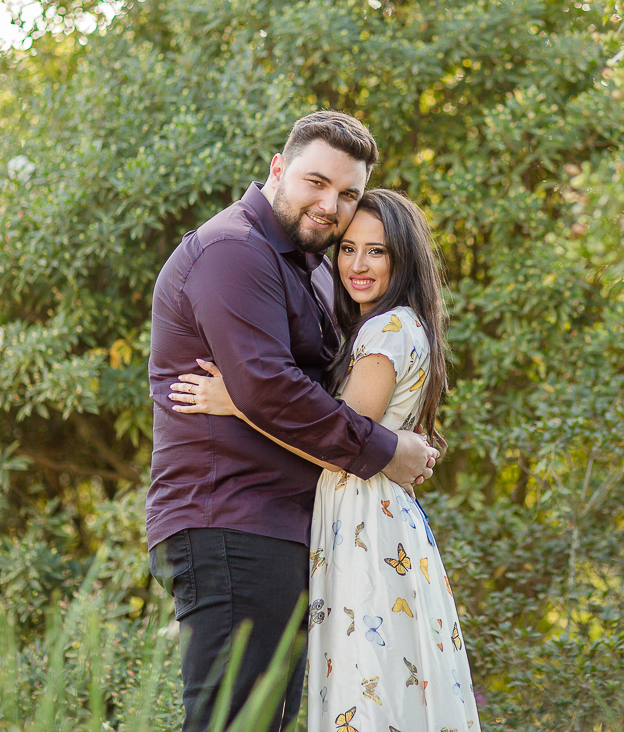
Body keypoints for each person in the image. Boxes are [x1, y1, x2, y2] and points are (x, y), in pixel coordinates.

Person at [146, 111, 440, 732]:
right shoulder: (234, 253)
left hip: (281, 530)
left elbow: (303, 388)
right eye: (316, 182)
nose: (330, 205)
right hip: (231, 519)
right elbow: (272, 391)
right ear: (278, 169)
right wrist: (385, 449)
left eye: (348, 193)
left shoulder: (306, 266)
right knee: (235, 722)